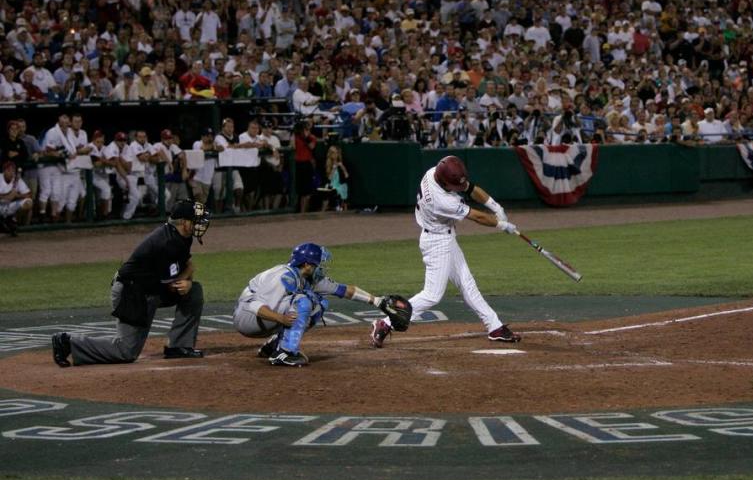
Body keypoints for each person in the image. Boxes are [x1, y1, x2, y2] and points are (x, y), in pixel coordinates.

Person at [371, 155, 521, 347]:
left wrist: (495, 207)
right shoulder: (441, 200)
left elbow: (471, 188)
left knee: (468, 285)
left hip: (445, 238)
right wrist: (501, 225)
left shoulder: (435, 172)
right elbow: (476, 216)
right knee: (432, 294)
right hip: (436, 242)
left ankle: (495, 327)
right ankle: (386, 323)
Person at [51, 200, 211, 367]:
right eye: (196, 220)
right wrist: (186, 280)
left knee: (193, 292)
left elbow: (188, 266)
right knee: (125, 351)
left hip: (150, 290)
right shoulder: (166, 243)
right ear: (185, 223)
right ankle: (68, 342)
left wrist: (187, 280)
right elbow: (174, 283)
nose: (200, 224)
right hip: (131, 293)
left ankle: (179, 346)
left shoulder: (181, 237)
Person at [233, 242, 388, 367]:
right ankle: (285, 353)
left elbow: (345, 290)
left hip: (264, 319)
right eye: (317, 264)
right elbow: (253, 305)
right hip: (247, 318)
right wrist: (280, 318)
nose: (320, 267)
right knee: (304, 301)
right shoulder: (283, 276)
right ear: (307, 264)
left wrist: (377, 301)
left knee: (319, 304)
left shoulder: (308, 278)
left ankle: (275, 345)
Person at [0, 161, 33, 236]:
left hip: (10, 206)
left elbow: (29, 194)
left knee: (28, 202)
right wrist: (7, 195)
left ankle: (13, 221)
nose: (11, 173)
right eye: (9, 170)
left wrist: (17, 195)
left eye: (13, 171)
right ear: (4, 171)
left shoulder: (17, 179)